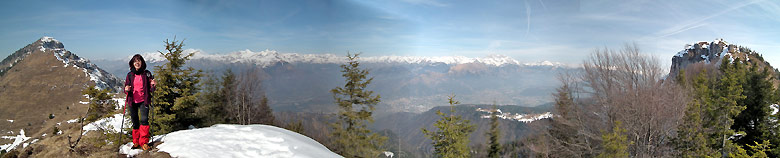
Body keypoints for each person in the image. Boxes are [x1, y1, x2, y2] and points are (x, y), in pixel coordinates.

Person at [124, 54, 156, 150]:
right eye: (135, 61)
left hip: (143, 100)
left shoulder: (147, 74)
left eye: (139, 61)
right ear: (132, 63)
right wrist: (126, 89)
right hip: (132, 101)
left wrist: (153, 85)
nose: (137, 63)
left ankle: (144, 142)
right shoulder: (129, 75)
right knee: (135, 122)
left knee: (144, 120)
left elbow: (152, 89)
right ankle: (136, 142)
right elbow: (125, 88)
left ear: (142, 62)